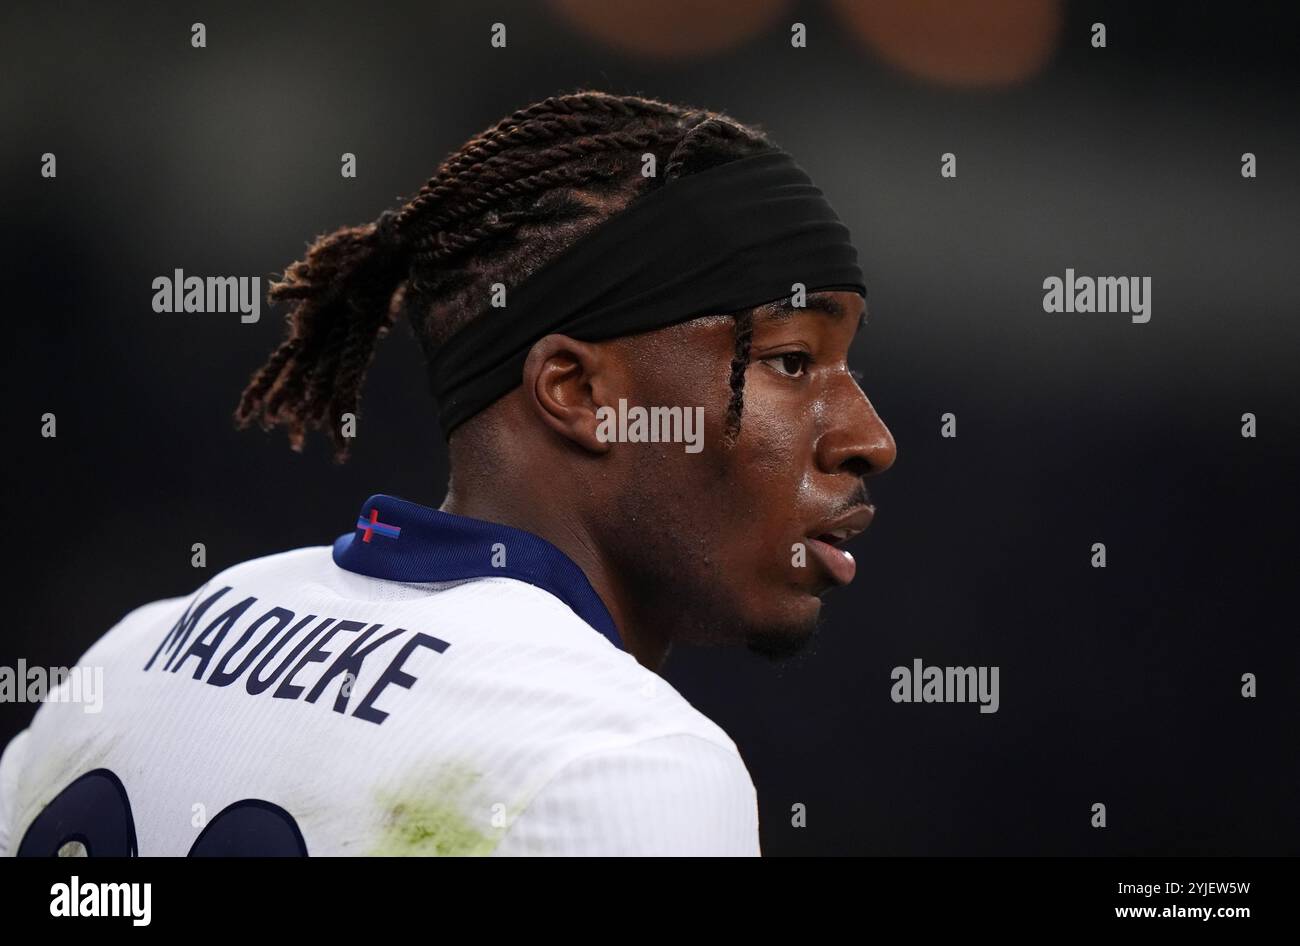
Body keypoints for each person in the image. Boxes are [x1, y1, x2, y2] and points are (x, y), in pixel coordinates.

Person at [0, 90, 895, 857]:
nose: (870, 437)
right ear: (578, 391)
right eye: (788, 362)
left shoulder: (140, 649)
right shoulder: (621, 761)